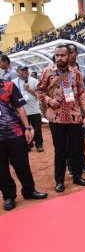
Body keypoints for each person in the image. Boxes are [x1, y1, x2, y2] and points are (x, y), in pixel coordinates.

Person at [36, 45, 85, 192]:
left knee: (77, 149)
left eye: (63, 55)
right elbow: (39, 91)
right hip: (56, 118)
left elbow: (82, 94)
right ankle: (59, 181)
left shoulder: (76, 73)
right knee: (60, 150)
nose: (59, 58)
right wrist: (48, 100)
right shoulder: (47, 72)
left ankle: (78, 176)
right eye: (57, 55)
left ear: (69, 56)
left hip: (75, 117)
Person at [0, 78, 48, 211]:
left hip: (14, 133)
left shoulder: (8, 85)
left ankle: (29, 191)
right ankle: (8, 196)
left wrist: (27, 128)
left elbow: (19, 107)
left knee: (22, 164)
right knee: (1, 170)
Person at [65, 43, 85, 175]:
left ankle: (82, 163)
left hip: (81, 108)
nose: (70, 55)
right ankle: (71, 165)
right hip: (66, 110)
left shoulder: (84, 70)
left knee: (80, 139)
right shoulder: (59, 71)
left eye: (72, 52)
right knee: (68, 141)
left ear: (76, 53)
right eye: (68, 52)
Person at [13, 66, 44, 152]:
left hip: (34, 109)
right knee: (23, 129)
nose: (25, 71)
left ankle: (39, 144)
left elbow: (40, 94)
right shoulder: (14, 82)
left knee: (37, 128)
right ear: (17, 71)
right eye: (22, 70)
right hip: (22, 111)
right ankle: (28, 144)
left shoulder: (34, 81)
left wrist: (29, 89)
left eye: (26, 70)